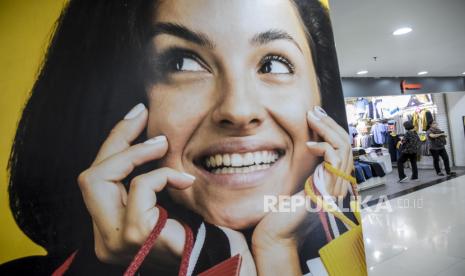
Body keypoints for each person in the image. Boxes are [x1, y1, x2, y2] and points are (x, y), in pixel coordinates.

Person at [3, 0, 359, 275]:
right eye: (183, 63)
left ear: (322, 95)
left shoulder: (374, 253)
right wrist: (216, 256)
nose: (237, 109)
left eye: (273, 64)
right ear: (119, 103)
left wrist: (277, 250)